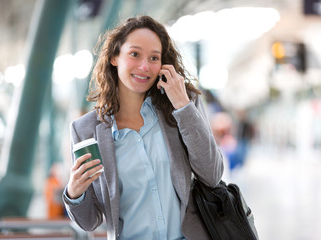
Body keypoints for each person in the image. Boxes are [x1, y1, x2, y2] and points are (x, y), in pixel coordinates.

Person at [62, 15, 224, 240]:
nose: (145, 66)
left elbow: (212, 175)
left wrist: (183, 106)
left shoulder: (182, 106)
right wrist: (74, 193)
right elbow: (90, 222)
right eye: (135, 54)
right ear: (114, 57)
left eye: (154, 58)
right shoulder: (85, 130)